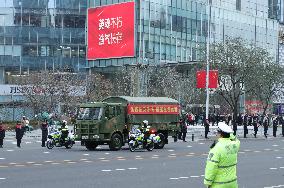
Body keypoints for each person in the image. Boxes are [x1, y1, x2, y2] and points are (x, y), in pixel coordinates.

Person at [204, 122, 240, 188]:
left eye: (217, 133)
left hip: (219, 184)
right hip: (232, 183)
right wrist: (229, 134)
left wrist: (208, 182)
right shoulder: (235, 145)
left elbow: (211, 167)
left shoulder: (216, 148)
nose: (216, 134)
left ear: (220, 134)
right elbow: (236, 139)